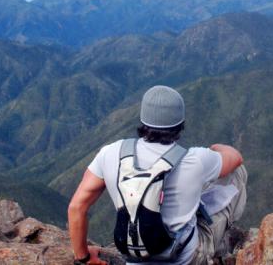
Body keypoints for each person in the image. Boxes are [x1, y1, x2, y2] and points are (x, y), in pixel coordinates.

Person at [68, 85, 247, 265]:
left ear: (143, 120)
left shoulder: (111, 153)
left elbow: (76, 207)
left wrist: (83, 257)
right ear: (180, 123)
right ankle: (226, 241)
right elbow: (236, 159)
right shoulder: (196, 159)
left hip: (134, 254)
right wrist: (215, 149)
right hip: (186, 258)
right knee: (236, 173)